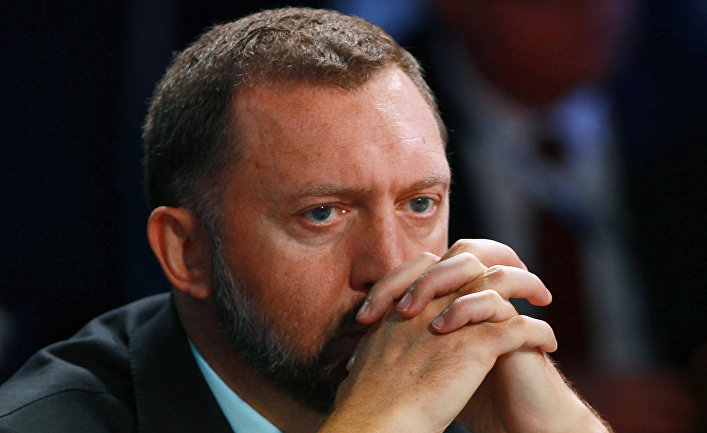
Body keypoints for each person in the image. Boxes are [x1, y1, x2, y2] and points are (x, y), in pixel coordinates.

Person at [0, 7, 611, 433]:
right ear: (187, 252)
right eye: (322, 214)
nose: (393, 266)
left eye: (420, 204)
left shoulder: (465, 389)